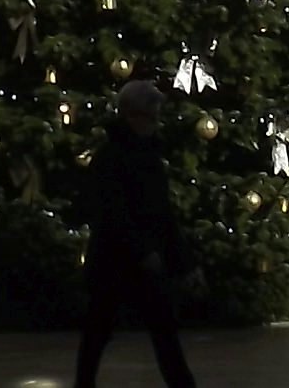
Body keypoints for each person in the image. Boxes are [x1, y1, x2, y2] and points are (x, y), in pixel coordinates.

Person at [75, 80, 197, 388]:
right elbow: (112, 213)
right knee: (100, 331)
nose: (155, 123)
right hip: (116, 261)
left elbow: (163, 213)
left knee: (162, 333)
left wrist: (181, 261)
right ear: (132, 115)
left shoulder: (148, 156)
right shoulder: (112, 158)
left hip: (143, 260)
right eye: (150, 116)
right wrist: (143, 250)